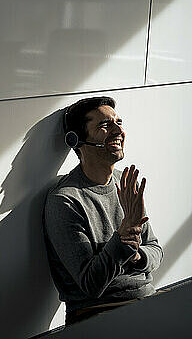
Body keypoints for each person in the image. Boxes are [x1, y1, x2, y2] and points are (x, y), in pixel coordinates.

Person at [43, 96, 163, 325]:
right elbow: (91, 284)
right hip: (99, 315)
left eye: (119, 122)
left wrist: (137, 256)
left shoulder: (125, 184)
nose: (118, 130)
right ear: (75, 140)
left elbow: (156, 250)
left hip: (146, 302)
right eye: (104, 125)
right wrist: (124, 236)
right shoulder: (65, 200)